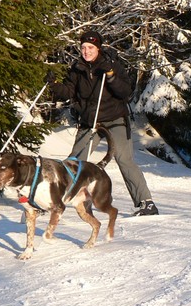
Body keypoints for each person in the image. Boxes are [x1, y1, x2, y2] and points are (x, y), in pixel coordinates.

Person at [46, 30, 159, 216]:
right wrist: (54, 84)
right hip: (90, 121)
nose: (86, 51)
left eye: (90, 47)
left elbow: (125, 92)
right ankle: (57, 200)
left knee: (124, 159)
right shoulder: (77, 68)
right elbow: (68, 92)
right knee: (74, 160)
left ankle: (145, 203)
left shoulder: (111, 64)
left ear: (98, 48)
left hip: (115, 119)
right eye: (83, 47)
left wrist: (112, 75)